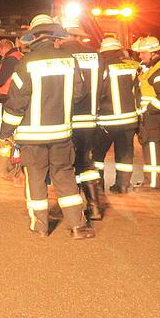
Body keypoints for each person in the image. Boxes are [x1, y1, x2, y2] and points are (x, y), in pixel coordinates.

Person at [0, 15, 95, 239]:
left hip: (32, 137)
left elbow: (17, 102)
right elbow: (79, 93)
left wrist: (5, 132)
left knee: (35, 178)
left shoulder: (27, 63)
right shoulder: (70, 61)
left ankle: (40, 227)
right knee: (65, 176)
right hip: (62, 134)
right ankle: (77, 226)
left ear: (33, 37)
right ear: (54, 36)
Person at [55, 32, 107, 220]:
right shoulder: (96, 56)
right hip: (90, 120)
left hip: (69, 119)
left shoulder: (61, 55)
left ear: (61, 37)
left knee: (67, 164)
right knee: (86, 161)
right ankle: (94, 206)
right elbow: (105, 86)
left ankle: (71, 208)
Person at [92, 35, 140, 194]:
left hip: (107, 119)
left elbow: (97, 91)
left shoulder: (102, 66)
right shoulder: (132, 65)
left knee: (98, 154)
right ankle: (123, 185)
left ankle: (98, 186)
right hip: (129, 119)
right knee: (125, 153)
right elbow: (137, 91)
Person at [132, 36, 160, 191]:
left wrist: (146, 110)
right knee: (148, 149)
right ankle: (148, 180)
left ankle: (153, 184)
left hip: (153, 117)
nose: (140, 56)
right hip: (148, 116)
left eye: (143, 53)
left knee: (152, 149)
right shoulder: (148, 66)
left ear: (153, 52)